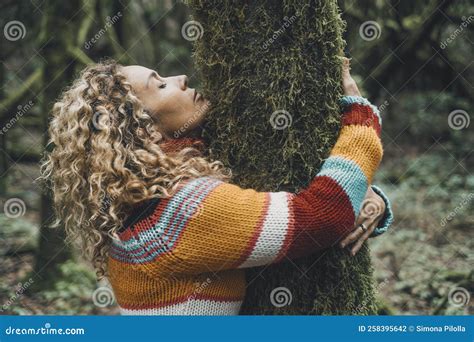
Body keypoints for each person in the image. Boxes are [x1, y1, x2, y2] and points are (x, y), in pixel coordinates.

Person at [39, 57, 393, 315]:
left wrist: (368, 195)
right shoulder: (175, 212)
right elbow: (320, 217)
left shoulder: (142, 200)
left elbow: (243, 222)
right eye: (160, 85)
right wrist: (361, 119)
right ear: (144, 130)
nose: (179, 78)